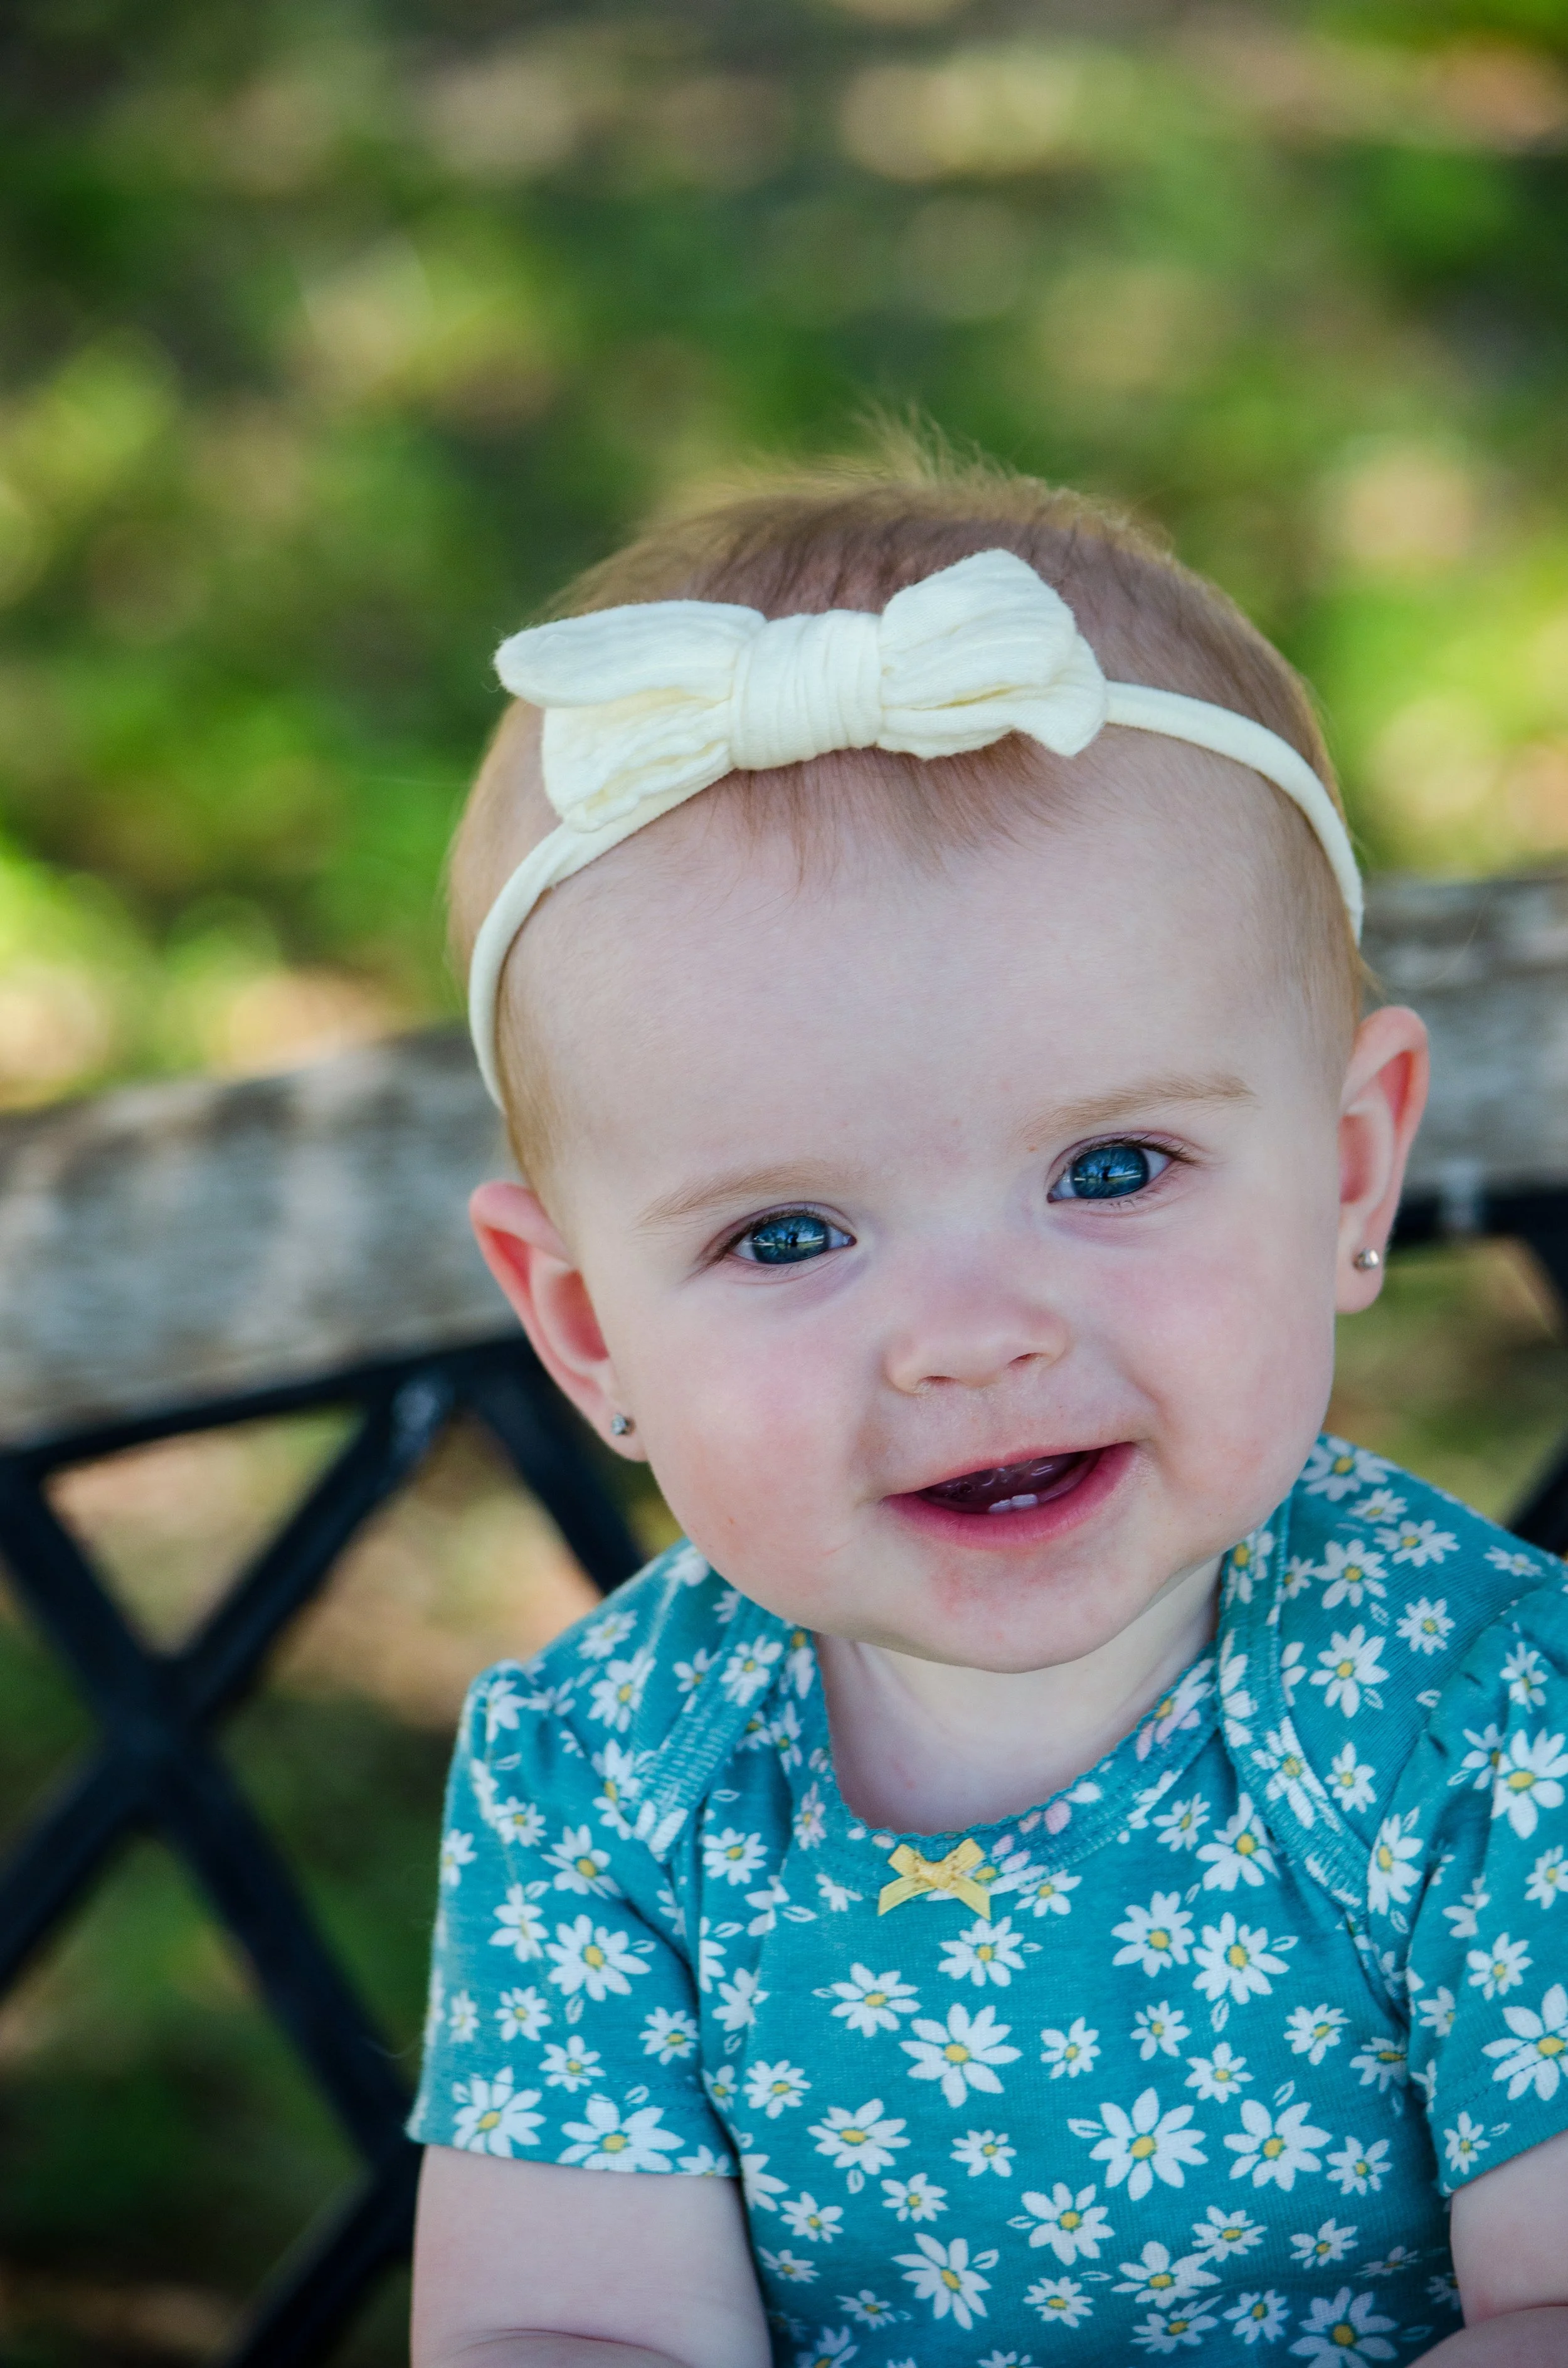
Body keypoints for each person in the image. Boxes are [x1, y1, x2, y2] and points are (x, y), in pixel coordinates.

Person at [408, 450, 1568, 2367]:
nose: (968, 1336)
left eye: (1109, 1169)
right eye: (786, 1231)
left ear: (1352, 1175)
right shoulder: (601, 1777)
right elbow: (564, 2329)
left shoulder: (1482, 1719)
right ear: (585, 1324)